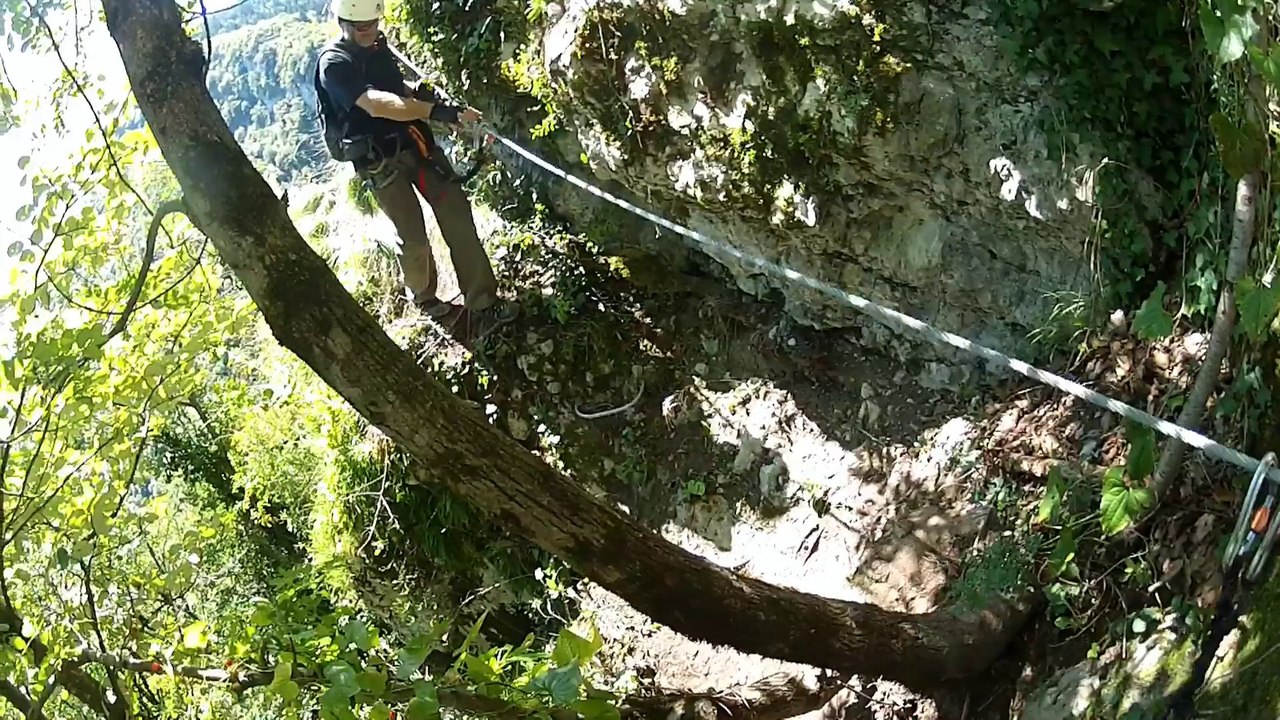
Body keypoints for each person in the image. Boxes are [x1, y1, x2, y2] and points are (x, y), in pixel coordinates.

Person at [314, 0, 514, 338]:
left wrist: (440, 110)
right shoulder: (334, 64)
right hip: (380, 162)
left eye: (373, 24)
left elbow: (397, 89)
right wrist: (439, 114)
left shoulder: (378, 47)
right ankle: (423, 296)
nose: (369, 32)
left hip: (416, 146)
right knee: (413, 239)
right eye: (361, 27)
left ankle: (483, 301)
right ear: (343, 24)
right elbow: (376, 104)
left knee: (456, 214)